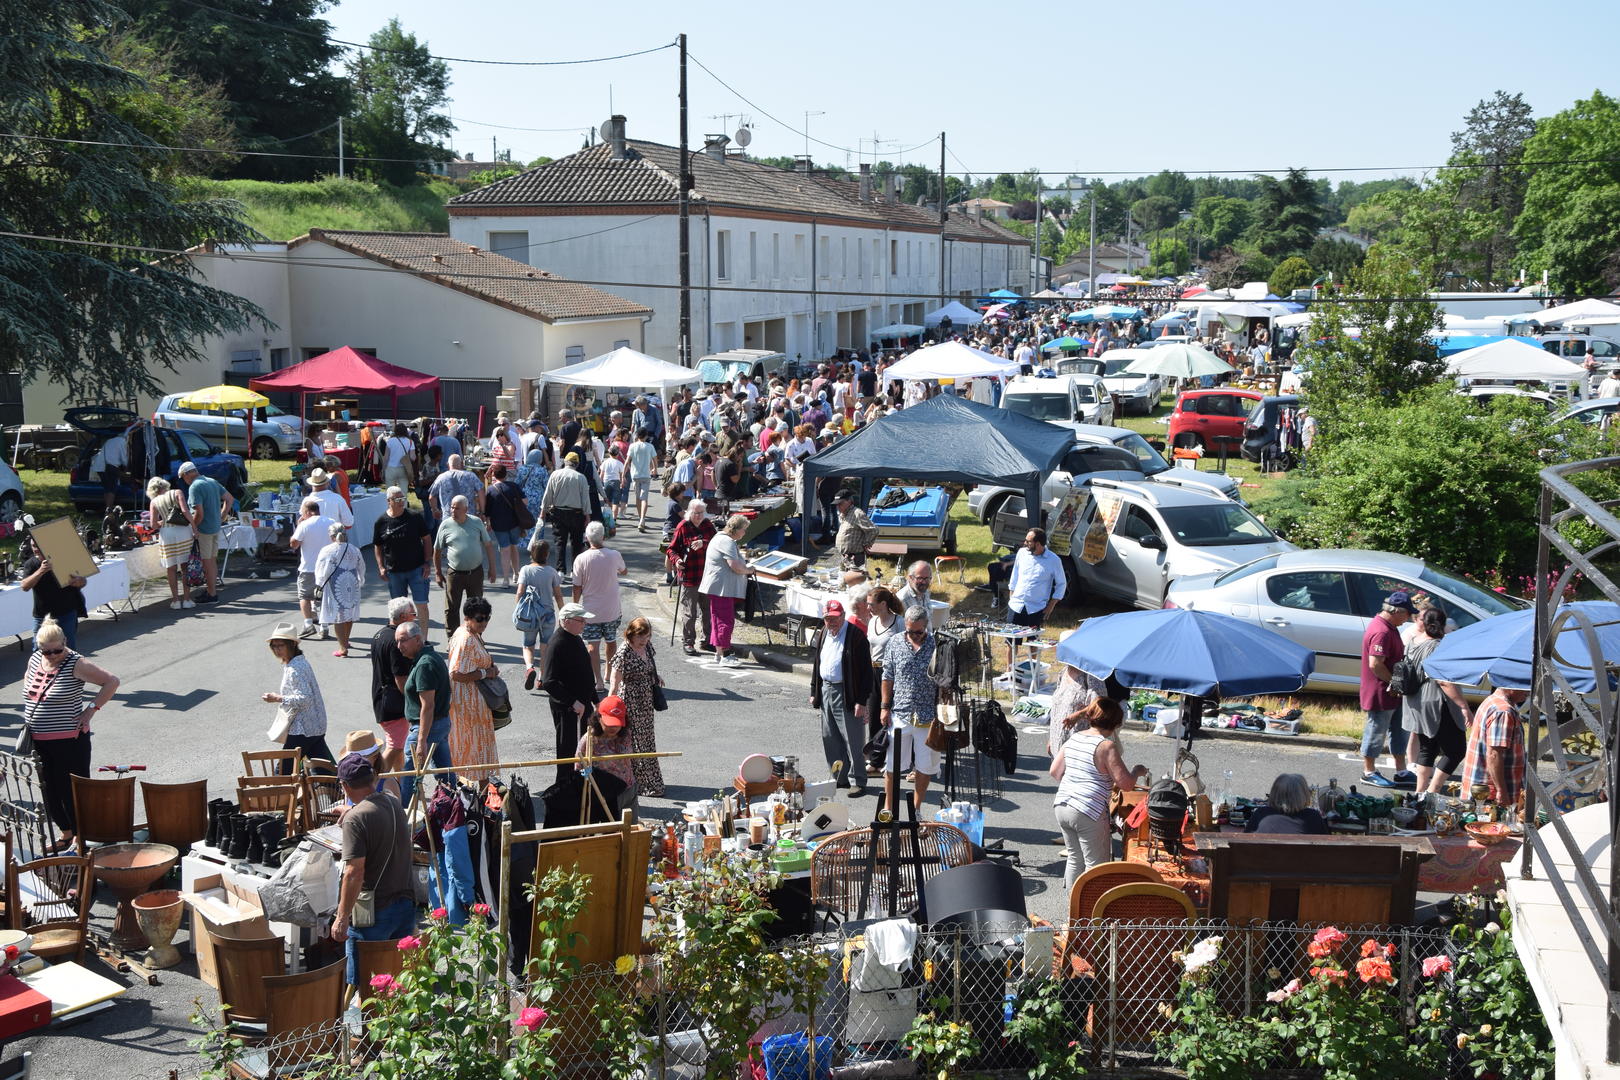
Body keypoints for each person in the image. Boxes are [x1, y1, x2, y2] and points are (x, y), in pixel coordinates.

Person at [23, 617, 119, 852]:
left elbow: (111, 682)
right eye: (47, 651)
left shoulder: (76, 663)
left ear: (65, 642)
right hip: (39, 739)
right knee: (50, 789)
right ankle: (66, 833)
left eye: (57, 650)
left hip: (69, 740)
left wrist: (90, 711)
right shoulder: (36, 658)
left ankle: (80, 837)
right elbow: (30, 686)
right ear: (39, 647)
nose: (53, 655)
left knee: (72, 790)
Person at [330, 751, 417, 989]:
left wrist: (341, 918)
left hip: (374, 912)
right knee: (399, 980)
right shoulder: (393, 803)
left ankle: (362, 1027)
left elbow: (353, 873)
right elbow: (374, 816)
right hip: (404, 904)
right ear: (373, 778)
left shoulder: (356, 819)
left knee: (364, 985)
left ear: (345, 786)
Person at [1050, 699, 1148, 888]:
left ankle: (1074, 911)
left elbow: (1055, 771)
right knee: (1095, 867)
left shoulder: (1075, 737)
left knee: (1074, 859)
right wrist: (1137, 771)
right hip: (1088, 810)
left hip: (1062, 804)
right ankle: (1090, 913)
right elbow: (1126, 784)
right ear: (1115, 723)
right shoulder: (1106, 746)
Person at [1401, 605, 1474, 793]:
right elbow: (1444, 682)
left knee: (1428, 748)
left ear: (1424, 623)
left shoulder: (1413, 642)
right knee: (1456, 750)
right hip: (1436, 702)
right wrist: (1463, 706)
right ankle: (1433, 790)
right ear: (1443, 624)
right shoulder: (1438, 646)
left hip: (1415, 701)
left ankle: (1419, 792)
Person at [879, 606, 942, 808]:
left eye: (918, 631)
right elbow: (887, 676)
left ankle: (916, 810)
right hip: (900, 712)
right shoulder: (896, 642)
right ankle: (888, 809)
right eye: (909, 630)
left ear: (926, 626)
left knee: (925, 767)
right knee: (892, 766)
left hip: (928, 716)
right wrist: (884, 707)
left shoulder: (937, 644)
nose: (913, 635)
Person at [809, 599, 874, 796]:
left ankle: (858, 781)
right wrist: (814, 691)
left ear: (844, 616)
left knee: (853, 739)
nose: (832, 622)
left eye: (835, 618)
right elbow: (817, 663)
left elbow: (866, 673)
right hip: (826, 689)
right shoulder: (823, 633)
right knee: (830, 737)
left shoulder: (856, 636)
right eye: (828, 618)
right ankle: (840, 777)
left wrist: (861, 701)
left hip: (847, 692)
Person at [1360, 591, 1416, 788]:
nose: (1409, 618)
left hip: (1393, 691)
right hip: (1381, 691)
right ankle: (1368, 772)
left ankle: (1401, 771)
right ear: (1397, 611)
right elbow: (1375, 664)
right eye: (1408, 614)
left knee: (1399, 731)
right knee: (1376, 731)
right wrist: (1393, 682)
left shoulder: (1389, 627)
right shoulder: (1382, 631)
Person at [605, 617, 666, 799]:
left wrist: (656, 676)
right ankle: (638, 782)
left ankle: (652, 781)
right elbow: (614, 684)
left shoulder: (646, 646)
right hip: (630, 702)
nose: (645, 640)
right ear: (631, 634)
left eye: (647, 636)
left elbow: (649, 666)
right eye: (641, 637)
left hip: (645, 701)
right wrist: (608, 708)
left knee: (647, 740)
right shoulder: (624, 652)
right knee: (634, 743)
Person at [396, 620, 452, 810]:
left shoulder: (425, 665)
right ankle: (454, 809)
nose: (399, 646)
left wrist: (421, 741)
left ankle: (404, 819)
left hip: (427, 727)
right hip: (438, 725)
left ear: (418, 640)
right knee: (446, 774)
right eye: (397, 641)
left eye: (403, 641)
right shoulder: (427, 658)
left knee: (409, 775)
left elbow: (427, 706)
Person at [262, 623, 333, 771]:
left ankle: (279, 794)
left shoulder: (295, 669)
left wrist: (278, 698)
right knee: (323, 770)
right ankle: (337, 791)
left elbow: (305, 699)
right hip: (315, 726)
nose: (276, 649)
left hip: (304, 728)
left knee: (282, 770)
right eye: (274, 646)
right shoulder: (298, 662)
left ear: (292, 644)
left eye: (280, 645)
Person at [446, 596, 499, 785]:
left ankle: (476, 791)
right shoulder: (466, 639)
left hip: (473, 703)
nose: (484, 622)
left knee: (474, 748)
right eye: (480, 619)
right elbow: (455, 673)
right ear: (467, 617)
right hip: (468, 706)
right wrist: (486, 673)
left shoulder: (470, 632)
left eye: (487, 618)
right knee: (473, 748)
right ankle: (476, 793)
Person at [542, 603, 598, 780]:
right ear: (566, 621)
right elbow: (549, 682)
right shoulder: (557, 643)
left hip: (584, 706)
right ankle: (566, 788)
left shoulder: (576, 638)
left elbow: (586, 673)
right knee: (568, 752)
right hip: (569, 709)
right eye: (580, 620)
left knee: (586, 750)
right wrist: (573, 702)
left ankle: (584, 783)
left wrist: (596, 700)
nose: (584, 624)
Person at [371, 597, 418, 785]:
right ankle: (373, 785)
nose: (415, 619)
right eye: (413, 615)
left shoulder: (380, 635)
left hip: (382, 698)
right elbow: (401, 678)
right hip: (393, 702)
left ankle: (400, 787)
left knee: (399, 749)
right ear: (403, 616)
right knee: (395, 746)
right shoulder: (397, 641)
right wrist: (414, 700)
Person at [433, 494, 497, 632]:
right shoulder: (445, 525)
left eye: (457, 508)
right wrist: (438, 572)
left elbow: (488, 545)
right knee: (451, 608)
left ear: (466, 509)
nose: (453, 511)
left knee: (477, 609)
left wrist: (492, 568)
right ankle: (453, 639)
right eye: (452, 507)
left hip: (475, 573)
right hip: (454, 573)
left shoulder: (476, 522)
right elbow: (437, 550)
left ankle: (475, 637)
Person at [374, 485, 433, 631]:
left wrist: (427, 562)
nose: (401, 501)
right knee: (398, 610)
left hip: (417, 569)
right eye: (397, 499)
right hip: (394, 572)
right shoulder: (381, 521)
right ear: (389, 501)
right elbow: (378, 546)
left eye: (403, 498)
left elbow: (426, 539)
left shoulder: (414, 517)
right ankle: (400, 638)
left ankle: (424, 640)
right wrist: (381, 567)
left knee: (421, 606)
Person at [1460, 686, 1529, 809]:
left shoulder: (1491, 701)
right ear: (1510, 686)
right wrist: (1501, 791)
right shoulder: (1503, 711)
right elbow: (1494, 755)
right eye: (1524, 687)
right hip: (1489, 794)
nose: (1528, 692)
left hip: (1483, 789)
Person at [700, 514, 752, 667]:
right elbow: (735, 567)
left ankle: (719, 652)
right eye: (744, 530)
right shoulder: (726, 541)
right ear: (735, 530)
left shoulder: (721, 538)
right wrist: (749, 570)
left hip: (719, 587)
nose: (744, 533)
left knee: (718, 620)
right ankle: (726, 655)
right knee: (725, 621)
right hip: (721, 588)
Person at [667, 499, 716, 656]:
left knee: (707, 610)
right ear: (689, 512)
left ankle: (707, 640)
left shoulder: (708, 525)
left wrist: (704, 542)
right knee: (690, 612)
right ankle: (688, 642)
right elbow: (671, 549)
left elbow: (717, 544)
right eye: (696, 513)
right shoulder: (683, 526)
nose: (699, 516)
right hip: (689, 575)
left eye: (701, 513)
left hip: (706, 575)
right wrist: (677, 560)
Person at [181, 461, 233, 605]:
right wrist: (221, 517)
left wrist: (193, 527)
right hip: (215, 527)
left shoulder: (195, 487)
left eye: (183, 478)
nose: (184, 481)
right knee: (212, 560)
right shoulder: (212, 481)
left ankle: (212, 594)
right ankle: (211, 590)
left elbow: (199, 513)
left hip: (204, 529)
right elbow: (229, 499)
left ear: (187, 475)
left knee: (207, 562)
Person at [19, 542, 87, 648]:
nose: (35, 549)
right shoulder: (31, 564)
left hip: (66, 613)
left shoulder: (64, 559)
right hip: (42, 616)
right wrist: (41, 571)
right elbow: (24, 586)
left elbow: (83, 581)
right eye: (33, 546)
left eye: (38, 545)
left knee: (68, 650)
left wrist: (80, 581)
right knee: (39, 650)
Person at [517, 540, 564, 690]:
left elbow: (520, 591)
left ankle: (530, 667)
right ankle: (541, 678)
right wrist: (562, 613)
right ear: (547, 555)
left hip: (530, 615)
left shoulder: (525, 570)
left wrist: (519, 608)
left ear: (532, 553)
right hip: (548, 615)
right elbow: (558, 595)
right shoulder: (551, 572)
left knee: (528, 645)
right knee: (545, 647)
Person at [579, 696, 637, 813]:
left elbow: (629, 757)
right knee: (610, 830)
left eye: (617, 723)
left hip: (628, 787)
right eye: (609, 723)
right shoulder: (589, 739)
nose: (614, 727)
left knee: (631, 829)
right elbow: (580, 766)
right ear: (599, 718)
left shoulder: (626, 735)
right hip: (602, 793)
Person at [315, 523, 365, 657]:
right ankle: (345, 641)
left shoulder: (327, 550)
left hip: (335, 584)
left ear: (331, 536)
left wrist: (319, 584)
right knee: (349, 612)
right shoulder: (354, 549)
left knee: (338, 615)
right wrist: (361, 580)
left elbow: (322, 570)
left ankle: (343, 648)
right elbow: (361, 567)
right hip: (352, 582)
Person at [290, 497, 336, 639]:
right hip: (327, 568)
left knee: (304, 596)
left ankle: (308, 624)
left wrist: (298, 526)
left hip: (308, 567)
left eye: (303, 512)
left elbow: (294, 544)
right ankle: (324, 626)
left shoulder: (304, 525)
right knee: (323, 597)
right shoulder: (331, 522)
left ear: (309, 512)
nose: (301, 515)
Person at [147, 476, 196, 611]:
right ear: (164, 485)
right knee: (185, 566)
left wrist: (163, 521)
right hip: (183, 531)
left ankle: (175, 600)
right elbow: (185, 511)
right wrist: (194, 527)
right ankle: (187, 599)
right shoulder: (177, 493)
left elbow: (153, 525)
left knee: (171, 568)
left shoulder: (154, 502)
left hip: (166, 534)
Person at [540, 453, 590, 574]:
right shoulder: (581, 477)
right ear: (577, 464)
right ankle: (575, 570)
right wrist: (587, 515)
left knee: (559, 542)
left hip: (558, 512)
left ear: (565, 462)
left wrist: (543, 511)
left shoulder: (555, 474)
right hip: (576, 513)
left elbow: (548, 494)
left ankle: (560, 571)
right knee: (576, 543)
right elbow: (585, 498)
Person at [483, 464, 529, 586]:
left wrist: (487, 523)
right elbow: (525, 502)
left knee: (505, 550)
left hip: (499, 525)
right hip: (515, 523)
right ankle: (516, 574)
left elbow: (487, 511)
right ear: (506, 474)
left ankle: (505, 579)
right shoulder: (514, 486)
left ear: (493, 475)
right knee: (514, 547)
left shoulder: (491, 490)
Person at [1245, 773, 1331, 835]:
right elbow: (1326, 848)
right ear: (1303, 795)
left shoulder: (1261, 814)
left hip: (1264, 859)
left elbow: (1245, 841)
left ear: (1274, 793)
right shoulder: (1313, 816)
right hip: (1302, 860)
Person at [429, 453, 485, 520]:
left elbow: (432, 497)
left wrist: (435, 510)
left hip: (448, 518)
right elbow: (481, 491)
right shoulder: (471, 476)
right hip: (468, 517)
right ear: (461, 464)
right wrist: (482, 512)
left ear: (448, 465)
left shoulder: (441, 477)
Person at [833, 488, 878, 571]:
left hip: (855, 557)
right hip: (845, 556)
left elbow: (873, 530)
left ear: (849, 501)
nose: (838, 506)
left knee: (856, 582)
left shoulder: (857, 513)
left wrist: (866, 543)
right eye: (837, 504)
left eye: (840, 504)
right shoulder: (843, 514)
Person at [626, 429, 656, 531]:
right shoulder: (650, 446)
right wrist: (655, 469)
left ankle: (640, 518)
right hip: (646, 475)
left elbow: (627, 461)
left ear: (637, 435)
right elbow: (654, 459)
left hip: (635, 475)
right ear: (646, 436)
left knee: (638, 498)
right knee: (644, 498)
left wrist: (622, 475)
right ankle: (642, 519)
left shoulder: (632, 446)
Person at [380, 423, 417, 493]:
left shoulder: (390, 441)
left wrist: (383, 470)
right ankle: (404, 504)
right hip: (404, 468)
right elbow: (413, 458)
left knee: (389, 493)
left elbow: (386, 458)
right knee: (403, 493)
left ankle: (390, 504)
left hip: (390, 468)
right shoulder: (410, 442)